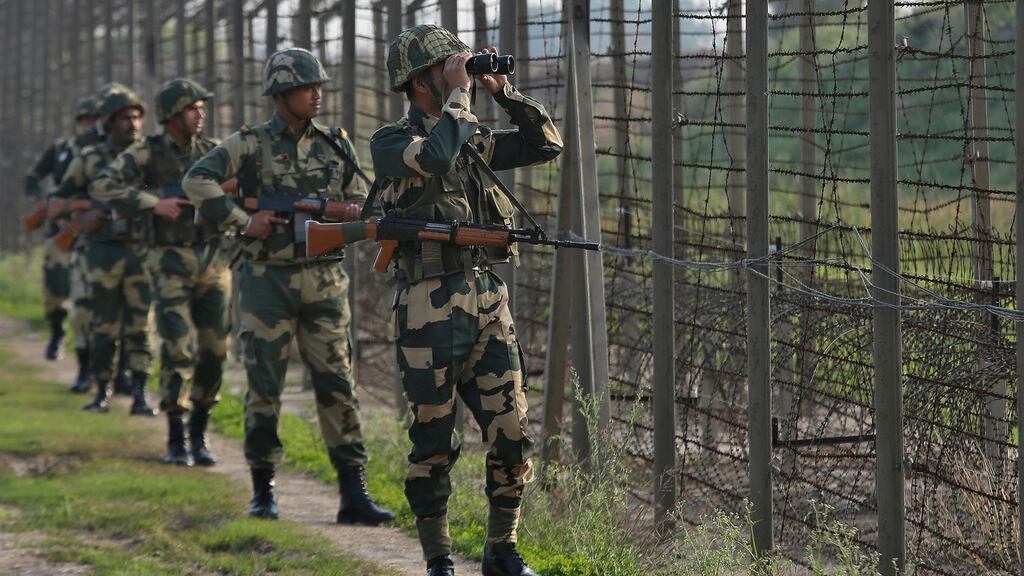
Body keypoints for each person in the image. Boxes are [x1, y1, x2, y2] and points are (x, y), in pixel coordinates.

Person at [371, 24, 562, 576]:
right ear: (418, 81)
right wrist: (461, 97)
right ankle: (437, 556)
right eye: (447, 67)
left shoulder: (470, 138)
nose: (460, 74)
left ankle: (502, 548)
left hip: (486, 300)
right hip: (429, 305)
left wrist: (504, 93)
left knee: (512, 431)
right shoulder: (391, 142)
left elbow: (545, 144)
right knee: (434, 438)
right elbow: (433, 158)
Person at [182, 47, 394, 525]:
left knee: (338, 385)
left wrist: (344, 218)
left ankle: (353, 493)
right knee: (264, 386)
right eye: (307, 87)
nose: (318, 94)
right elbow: (198, 180)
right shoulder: (250, 144)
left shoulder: (336, 143)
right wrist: (241, 220)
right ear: (282, 94)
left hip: (324, 281)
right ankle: (263, 490)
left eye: (320, 86)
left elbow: (360, 201)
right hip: (266, 282)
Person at [92, 78, 229, 466]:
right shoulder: (146, 153)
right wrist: (153, 202)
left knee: (214, 351)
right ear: (172, 115)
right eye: (192, 108)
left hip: (213, 260)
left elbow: (246, 187)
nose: (200, 114)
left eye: (202, 107)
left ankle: (200, 433)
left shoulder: (215, 151)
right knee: (177, 347)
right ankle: (176, 438)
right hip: (168, 262)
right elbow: (104, 186)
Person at [56, 83, 157, 416]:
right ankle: (102, 390)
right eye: (126, 118)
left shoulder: (149, 155)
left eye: (137, 117)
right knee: (103, 326)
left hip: (141, 250)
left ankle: (141, 393)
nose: (134, 124)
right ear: (110, 122)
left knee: (141, 326)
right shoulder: (90, 157)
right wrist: (85, 212)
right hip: (102, 252)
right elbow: (59, 201)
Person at [24, 97, 100, 367]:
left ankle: (94, 357)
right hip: (60, 231)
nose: (89, 125)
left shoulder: (105, 152)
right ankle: (57, 334)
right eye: (85, 120)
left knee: (91, 296)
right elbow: (32, 178)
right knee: (55, 288)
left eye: (94, 119)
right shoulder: (61, 149)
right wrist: (41, 204)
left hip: (92, 229)